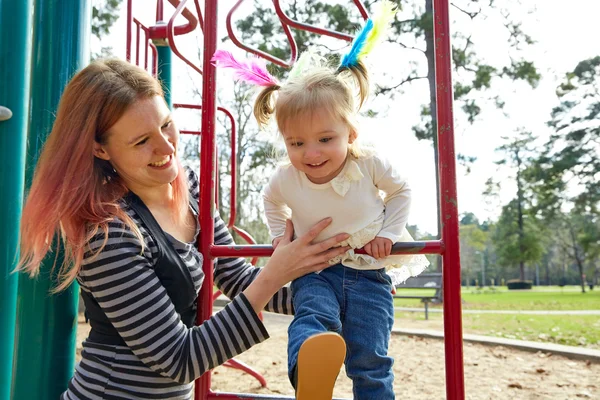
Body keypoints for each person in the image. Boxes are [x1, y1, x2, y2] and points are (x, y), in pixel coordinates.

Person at [16, 58, 352, 400]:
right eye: (141, 141)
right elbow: (179, 358)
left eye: (166, 125)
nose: (166, 147)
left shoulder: (189, 186)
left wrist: (341, 297)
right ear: (100, 148)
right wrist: (275, 273)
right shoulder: (107, 234)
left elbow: (235, 276)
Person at [213, 2, 429, 399]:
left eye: (324, 139)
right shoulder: (286, 177)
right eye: (297, 143)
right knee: (312, 319)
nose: (311, 153)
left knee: (371, 360)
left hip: (369, 272)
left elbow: (402, 192)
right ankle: (310, 375)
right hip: (317, 270)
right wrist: (282, 238)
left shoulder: (368, 163)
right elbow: (270, 202)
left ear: (350, 132)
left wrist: (389, 232)